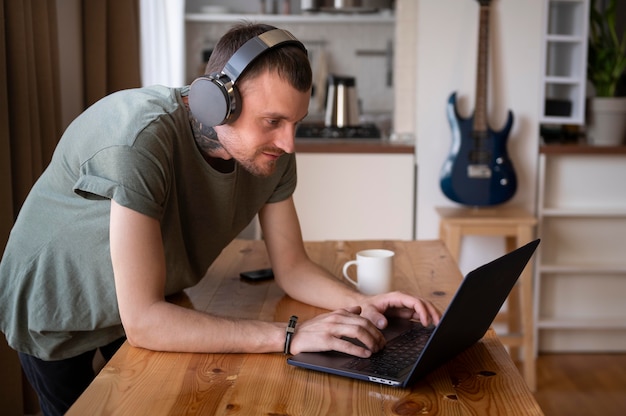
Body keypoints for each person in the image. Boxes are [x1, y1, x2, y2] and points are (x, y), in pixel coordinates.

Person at [0, 22, 440, 415]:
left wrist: (360, 304)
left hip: (143, 300)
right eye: (273, 121)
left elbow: (292, 267)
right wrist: (290, 336)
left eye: (296, 123)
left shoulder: (272, 152)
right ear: (217, 103)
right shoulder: (139, 141)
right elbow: (145, 322)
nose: (288, 142)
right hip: (58, 303)